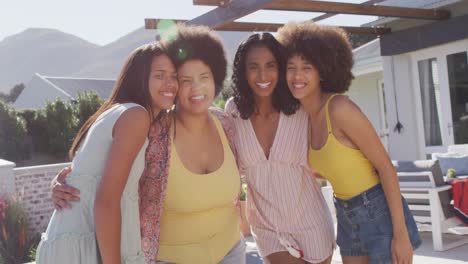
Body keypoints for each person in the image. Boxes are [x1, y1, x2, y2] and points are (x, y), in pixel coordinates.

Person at [51, 24, 245, 264]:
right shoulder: (151, 130)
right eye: (184, 79)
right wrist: (63, 182)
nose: (196, 88)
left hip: (231, 252)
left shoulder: (226, 123)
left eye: (204, 77)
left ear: (215, 78)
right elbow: (99, 173)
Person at [277, 21, 421, 264]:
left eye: (307, 67)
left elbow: (386, 167)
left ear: (322, 71)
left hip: (378, 212)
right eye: (291, 67)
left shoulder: (340, 108)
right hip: (345, 213)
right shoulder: (303, 118)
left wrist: (401, 234)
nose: (297, 75)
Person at [36, 42, 178, 264]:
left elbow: (82, 174)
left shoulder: (116, 112)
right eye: (160, 75)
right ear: (139, 78)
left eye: (174, 76)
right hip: (84, 250)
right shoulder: (135, 116)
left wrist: (57, 183)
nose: (171, 83)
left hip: (72, 244)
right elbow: (107, 201)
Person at [225, 32, 335, 264]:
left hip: (311, 222)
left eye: (271, 65)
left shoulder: (301, 108)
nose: (263, 75)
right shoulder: (233, 111)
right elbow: (233, 171)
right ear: (243, 72)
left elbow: (325, 156)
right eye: (253, 67)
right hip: (266, 227)